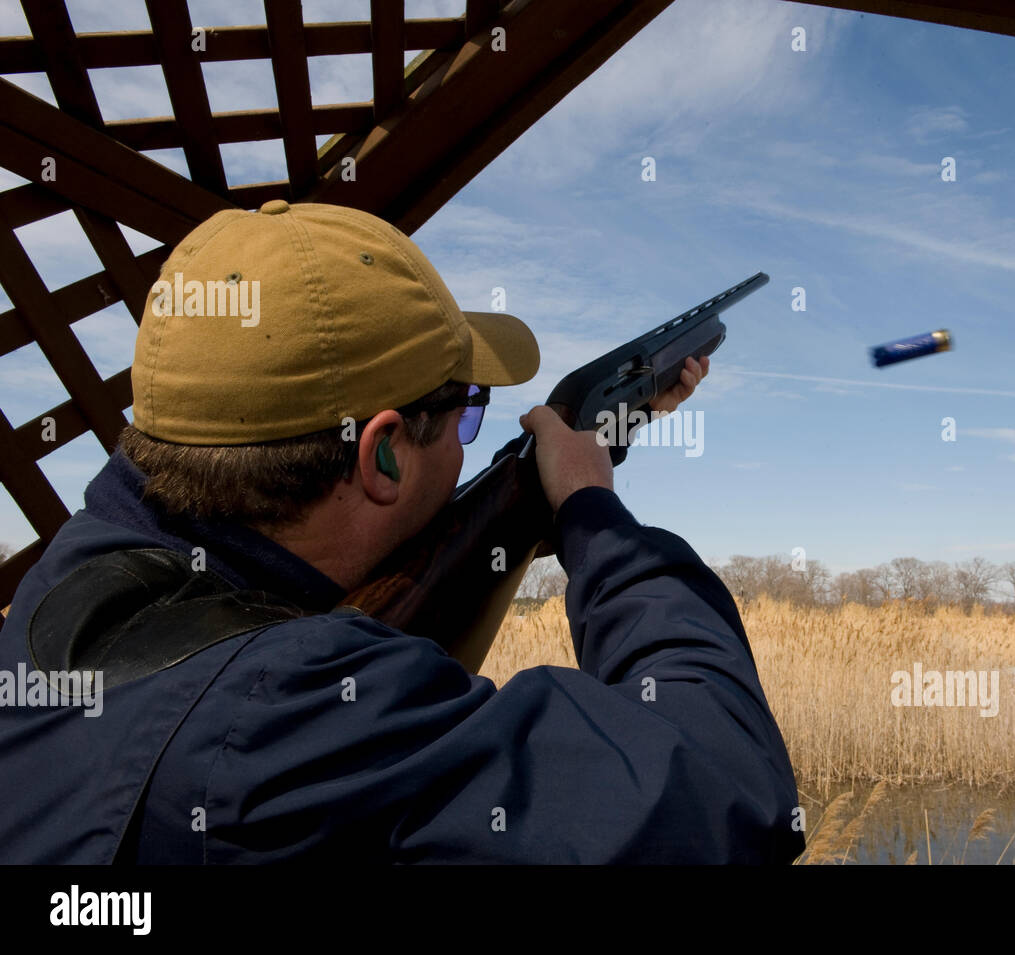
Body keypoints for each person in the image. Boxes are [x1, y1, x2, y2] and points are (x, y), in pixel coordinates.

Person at [0, 201, 803, 864]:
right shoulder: (293, 711)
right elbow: (729, 790)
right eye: (468, 412)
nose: (471, 442)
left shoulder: (63, 583)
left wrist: (595, 441)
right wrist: (593, 510)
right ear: (382, 452)